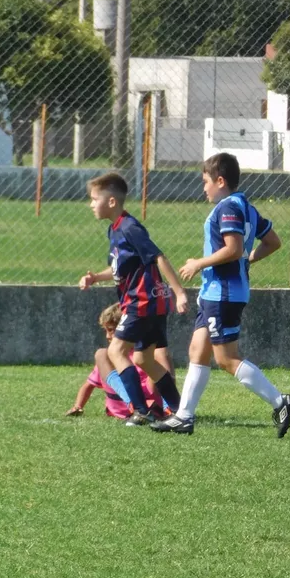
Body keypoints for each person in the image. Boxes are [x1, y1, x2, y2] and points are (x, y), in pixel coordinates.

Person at [152, 153, 290, 437]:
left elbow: (232, 248)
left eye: (205, 181)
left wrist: (198, 263)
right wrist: (247, 260)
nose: (203, 188)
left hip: (223, 294)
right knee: (197, 349)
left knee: (226, 359)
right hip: (217, 293)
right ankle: (184, 416)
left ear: (220, 180)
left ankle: (280, 401)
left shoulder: (227, 207)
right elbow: (273, 242)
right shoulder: (246, 207)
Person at [78, 173, 188, 427]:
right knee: (143, 359)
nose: (91, 204)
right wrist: (96, 277)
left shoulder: (130, 227)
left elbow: (158, 257)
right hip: (149, 305)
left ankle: (142, 411)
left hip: (142, 303)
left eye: (95, 199)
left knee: (115, 350)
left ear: (112, 202)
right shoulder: (114, 230)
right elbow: (120, 269)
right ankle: (180, 410)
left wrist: (179, 292)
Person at [66, 302, 173, 419]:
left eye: (111, 330)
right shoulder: (108, 359)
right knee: (101, 353)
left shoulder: (141, 356)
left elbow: (154, 386)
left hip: (150, 404)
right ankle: (134, 403)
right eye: (106, 331)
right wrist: (78, 406)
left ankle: (168, 407)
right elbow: (89, 385)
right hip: (123, 410)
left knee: (159, 354)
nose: (107, 336)